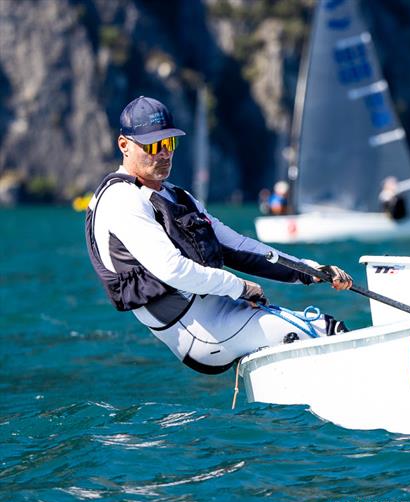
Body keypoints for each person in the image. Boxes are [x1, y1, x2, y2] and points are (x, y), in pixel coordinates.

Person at [85, 96, 353, 374]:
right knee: (325, 330)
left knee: (325, 326)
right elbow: (172, 270)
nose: (164, 153)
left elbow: (237, 246)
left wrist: (311, 271)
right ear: (124, 145)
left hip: (221, 311)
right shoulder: (121, 200)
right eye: (153, 145)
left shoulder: (177, 196)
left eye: (170, 143)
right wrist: (238, 286)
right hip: (199, 332)